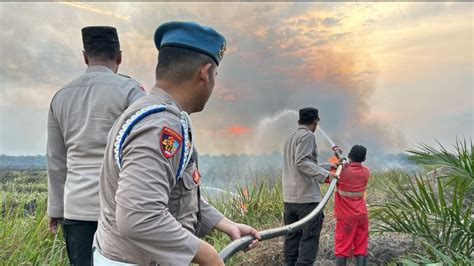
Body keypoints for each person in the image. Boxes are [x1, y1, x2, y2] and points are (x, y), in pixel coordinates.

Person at [93, 21, 260, 266]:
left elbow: (176, 191)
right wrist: (209, 256)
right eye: (215, 75)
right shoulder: (161, 126)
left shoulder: (152, 113)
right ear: (204, 73)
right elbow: (139, 216)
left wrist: (226, 224)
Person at [46, 26, 145, 265]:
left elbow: (56, 161)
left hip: (77, 209)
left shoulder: (61, 97)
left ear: (85, 56)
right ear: (119, 56)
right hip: (120, 208)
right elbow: (144, 152)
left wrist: (56, 210)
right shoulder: (131, 92)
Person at [282, 107, 339, 266]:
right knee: (309, 242)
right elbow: (302, 162)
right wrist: (326, 176)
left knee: (291, 241)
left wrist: (330, 167)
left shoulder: (291, 138)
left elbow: (306, 163)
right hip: (306, 200)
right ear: (315, 121)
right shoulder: (308, 136)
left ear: (299, 120)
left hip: (290, 200)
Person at [333, 145, 370, 266]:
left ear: (349, 156)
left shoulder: (342, 171)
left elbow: (329, 177)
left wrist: (336, 159)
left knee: (342, 249)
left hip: (346, 218)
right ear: (364, 159)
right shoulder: (366, 172)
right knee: (361, 247)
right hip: (362, 216)